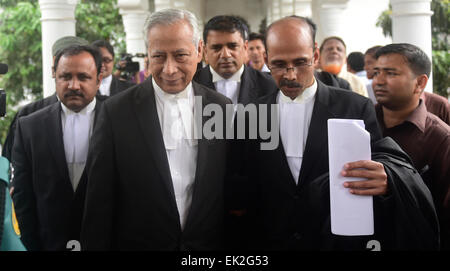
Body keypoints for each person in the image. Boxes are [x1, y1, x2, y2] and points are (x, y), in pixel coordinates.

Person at [243, 16, 439, 250]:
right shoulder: (251, 114)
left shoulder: (354, 107)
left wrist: (384, 178)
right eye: (278, 64)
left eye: (300, 62)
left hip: (335, 240)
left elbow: (377, 165)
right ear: (266, 60)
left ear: (315, 56)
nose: (291, 75)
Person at [81, 8, 231, 251]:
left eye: (181, 55)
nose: (169, 69)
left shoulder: (221, 108)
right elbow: (99, 203)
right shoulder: (116, 112)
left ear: (199, 51)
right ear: (148, 55)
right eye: (159, 56)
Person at [11, 45, 104, 250]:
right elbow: (23, 198)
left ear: (99, 80)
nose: (74, 85)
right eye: (65, 77)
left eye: (83, 77)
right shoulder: (29, 127)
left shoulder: (120, 121)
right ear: (55, 77)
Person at [373, 43, 450, 250]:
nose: (378, 80)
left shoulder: (440, 138)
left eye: (390, 73)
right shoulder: (361, 122)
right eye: (376, 72)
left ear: (420, 83)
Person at [2, 36, 89, 161]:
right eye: (67, 69)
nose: (74, 84)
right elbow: (9, 164)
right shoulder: (28, 115)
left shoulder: (106, 114)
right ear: (54, 69)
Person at [194, 15, 277, 106]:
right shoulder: (191, 85)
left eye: (232, 46)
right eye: (217, 47)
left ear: (245, 47)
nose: (225, 54)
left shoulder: (270, 85)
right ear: (205, 51)